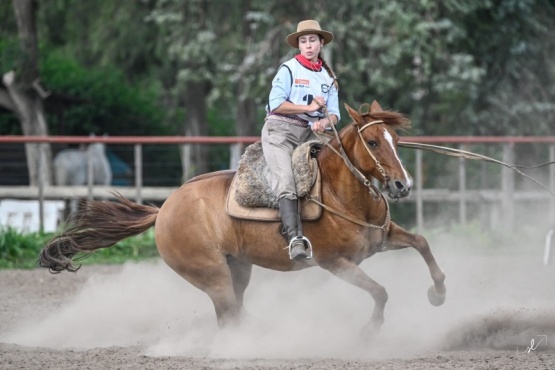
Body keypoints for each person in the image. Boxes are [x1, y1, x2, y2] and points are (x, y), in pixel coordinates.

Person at [261, 19, 340, 260]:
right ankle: (295, 237)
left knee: (340, 166)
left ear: (321, 43)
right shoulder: (289, 69)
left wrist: (323, 122)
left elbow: (335, 115)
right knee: (286, 180)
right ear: (299, 45)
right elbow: (276, 105)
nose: (308, 45)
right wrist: (308, 107)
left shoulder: (329, 77)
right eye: (303, 41)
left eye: (312, 40)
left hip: (310, 134)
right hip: (280, 132)